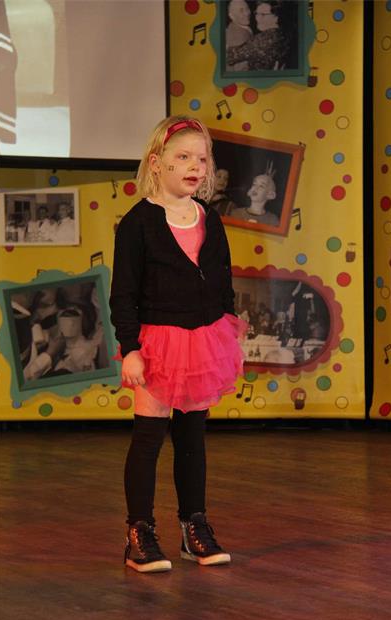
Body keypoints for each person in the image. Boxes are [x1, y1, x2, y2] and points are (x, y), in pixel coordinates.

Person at [109, 115, 247, 574]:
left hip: (204, 339)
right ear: (156, 163)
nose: (195, 167)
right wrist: (131, 347)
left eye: (201, 159)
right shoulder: (138, 223)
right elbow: (123, 294)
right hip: (157, 343)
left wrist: (226, 332)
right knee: (149, 437)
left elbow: (222, 281)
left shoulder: (210, 218)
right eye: (183, 157)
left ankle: (194, 526)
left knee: (192, 437)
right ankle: (139, 533)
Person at [226, 0, 293, 72]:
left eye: (263, 15)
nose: (257, 18)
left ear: (276, 17)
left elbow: (229, 56)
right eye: (257, 13)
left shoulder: (264, 40)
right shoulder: (282, 33)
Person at [225, 0, 252, 71]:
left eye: (247, 9)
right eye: (241, 11)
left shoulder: (235, 27)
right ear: (231, 16)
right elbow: (242, 69)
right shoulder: (239, 36)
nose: (247, 13)